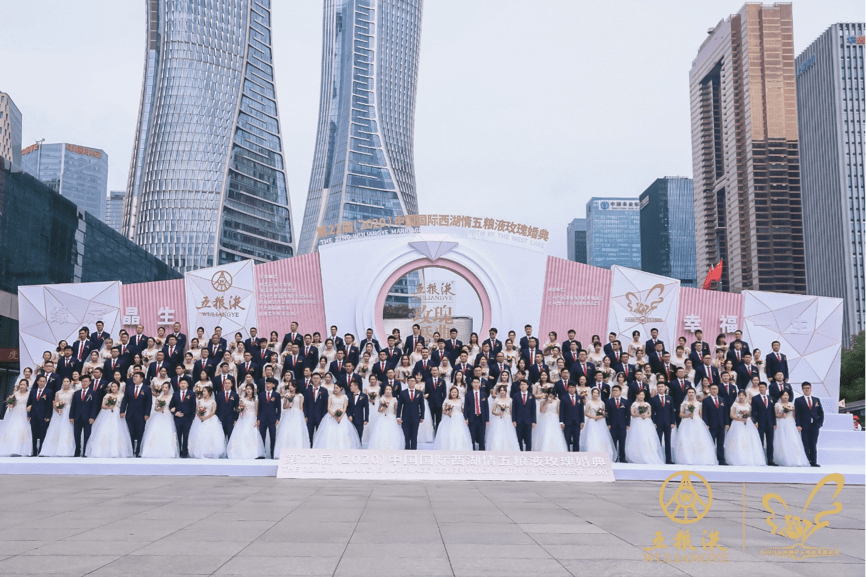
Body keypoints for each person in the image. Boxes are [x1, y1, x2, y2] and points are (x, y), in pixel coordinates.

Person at [85, 382, 134, 458]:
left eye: (115, 386)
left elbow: (123, 405)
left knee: (117, 431)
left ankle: (116, 451)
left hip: (117, 414)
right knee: (105, 430)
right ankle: (101, 451)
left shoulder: (121, 396)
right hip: (107, 414)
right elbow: (102, 406)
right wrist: (109, 407)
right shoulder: (107, 395)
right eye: (112, 387)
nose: (113, 388)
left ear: (118, 387)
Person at [674, 387, 718, 465]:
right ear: (687, 394)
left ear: (695, 394)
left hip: (697, 422)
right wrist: (688, 415)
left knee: (698, 439)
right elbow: (680, 414)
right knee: (686, 440)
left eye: (692, 392)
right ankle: (687, 458)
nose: (691, 394)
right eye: (689, 392)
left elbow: (701, 415)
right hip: (686, 423)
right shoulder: (684, 403)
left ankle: (699, 458)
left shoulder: (698, 403)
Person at [313, 383, 361, 449]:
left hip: (342, 417)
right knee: (330, 433)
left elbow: (345, 408)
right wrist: (333, 415)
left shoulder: (345, 397)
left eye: (337, 388)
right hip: (331, 416)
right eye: (334, 388)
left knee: (342, 433)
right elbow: (328, 407)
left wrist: (340, 417)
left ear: (341, 388)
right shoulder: (331, 396)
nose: (335, 389)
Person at [725, 390, 766, 466]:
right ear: (738, 396)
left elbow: (751, 414)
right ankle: (739, 458)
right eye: (740, 395)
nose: (741, 397)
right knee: (739, 439)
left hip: (747, 424)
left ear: (745, 396)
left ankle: (749, 458)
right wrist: (740, 419)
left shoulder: (748, 405)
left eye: (743, 395)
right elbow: (731, 415)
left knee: (748, 440)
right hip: (737, 424)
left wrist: (748, 418)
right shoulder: (735, 404)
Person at [140, 382, 179, 458]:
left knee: (167, 432)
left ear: (169, 388)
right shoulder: (159, 397)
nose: (164, 389)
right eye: (163, 387)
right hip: (158, 416)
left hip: (167, 416)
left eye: (166, 387)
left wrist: (173, 409)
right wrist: (159, 408)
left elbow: (174, 406)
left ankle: (169, 452)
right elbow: (155, 408)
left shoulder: (172, 397)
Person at [226, 384, 266, 459]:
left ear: (253, 390)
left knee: (250, 434)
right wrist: (240, 411)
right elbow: (239, 408)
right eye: (247, 389)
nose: (248, 390)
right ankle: (240, 452)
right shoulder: (242, 399)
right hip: (243, 418)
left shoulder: (256, 399)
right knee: (242, 434)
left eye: (250, 389)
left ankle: (252, 453)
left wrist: (257, 420)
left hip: (252, 418)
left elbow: (256, 411)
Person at [624, 390, 663, 464]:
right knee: (637, 437)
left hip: (646, 422)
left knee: (647, 438)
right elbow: (632, 413)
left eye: (642, 395)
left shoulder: (647, 404)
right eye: (640, 394)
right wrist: (638, 415)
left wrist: (646, 416)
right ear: (637, 395)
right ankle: (637, 456)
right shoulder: (634, 404)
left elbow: (649, 413)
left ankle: (648, 455)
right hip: (637, 422)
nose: (641, 396)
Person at [39, 377, 75, 456]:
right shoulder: (58, 392)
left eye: (67, 381)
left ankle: (66, 450)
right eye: (64, 381)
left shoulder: (73, 392)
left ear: (70, 383)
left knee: (67, 429)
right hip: (59, 413)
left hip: (68, 412)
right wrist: (57, 408)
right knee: (56, 429)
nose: (65, 383)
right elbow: (54, 403)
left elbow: (74, 404)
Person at [188, 386, 227, 459]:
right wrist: (200, 416)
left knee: (210, 435)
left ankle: (210, 451)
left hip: (210, 419)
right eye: (203, 391)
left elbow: (213, 411)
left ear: (209, 393)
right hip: (200, 419)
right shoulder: (200, 401)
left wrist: (206, 417)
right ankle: (200, 451)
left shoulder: (212, 401)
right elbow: (197, 410)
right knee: (200, 435)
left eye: (205, 391)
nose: (203, 392)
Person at [773, 391, 810, 467]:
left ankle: (796, 459)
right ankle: (784, 459)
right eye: (783, 395)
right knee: (782, 440)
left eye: (787, 395)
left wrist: (796, 423)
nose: (785, 397)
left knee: (793, 440)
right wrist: (783, 414)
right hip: (781, 423)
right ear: (780, 396)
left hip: (790, 424)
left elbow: (794, 415)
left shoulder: (791, 404)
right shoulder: (777, 404)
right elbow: (776, 415)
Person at [273, 382, 310, 456]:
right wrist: (288, 405)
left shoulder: (300, 396)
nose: (290, 387)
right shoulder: (287, 395)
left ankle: (297, 451)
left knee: (297, 431)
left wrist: (302, 417)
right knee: (286, 431)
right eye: (289, 386)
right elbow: (284, 406)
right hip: (288, 414)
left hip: (297, 415)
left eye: (291, 386)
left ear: (295, 387)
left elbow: (301, 408)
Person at [120, 372, 152, 457]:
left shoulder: (147, 389)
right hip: (130, 414)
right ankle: (130, 450)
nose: (134, 378)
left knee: (140, 433)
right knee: (130, 432)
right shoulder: (129, 388)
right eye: (134, 377)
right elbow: (125, 400)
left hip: (141, 415)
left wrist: (147, 413)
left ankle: (138, 451)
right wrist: (122, 411)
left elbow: (149, 403)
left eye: (136, 377)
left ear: (141, 378)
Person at [580, 387, 617, 461]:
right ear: (591, 394)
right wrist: (594, 417)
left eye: (597, 393)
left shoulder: (601, 402)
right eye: (594, 393)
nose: (596, 394)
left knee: (602, 437)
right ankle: (592, 455)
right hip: (592, 422)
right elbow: (586, 413)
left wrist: (601, 416)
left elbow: (604, 412)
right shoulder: (589, 402)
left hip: (601, 422)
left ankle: (603, 455)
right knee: (592, 437)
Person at [0, 380, 34, 456]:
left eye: (24, 385)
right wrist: (10, 402)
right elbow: (13, 404)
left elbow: (31, 403)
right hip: (15, 413)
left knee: (22, 429)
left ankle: (21, 450)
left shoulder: (29, 394)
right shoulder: (15, 394)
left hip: (24, 413)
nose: (22, 386)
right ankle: (10, 449)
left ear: (27, 386)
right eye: (21, 384)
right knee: (12, 429)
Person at [433, 386, 473, 451]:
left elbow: (463, 410)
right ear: (450, 393)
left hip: (459, 418)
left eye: (455, 392)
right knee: (449, 433)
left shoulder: (461, 400)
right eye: (452, 392)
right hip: (449, 418)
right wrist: (447, 411)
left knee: (460, 433)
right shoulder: (447, 401)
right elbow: (443, 411)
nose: (454, 393)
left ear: (457, 393)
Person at [367, 383, 405, 450]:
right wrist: (383, 408)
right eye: (386, 389)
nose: (388, 391)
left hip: (392, 417)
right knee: (381, 434)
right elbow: (379, 409)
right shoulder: (382, 399)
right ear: (384, 390)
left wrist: (398, 417)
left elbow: (396, 411)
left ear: (392, 391)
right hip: (383, 417)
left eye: (389, 389)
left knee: (392, 434)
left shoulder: (394, 399)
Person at [794, 382, 823, 467]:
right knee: (805, 444)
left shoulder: (816, 400)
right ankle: (806, 460)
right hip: (804, 425)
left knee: (813, 444)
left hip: (814, 425)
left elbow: (821, 412)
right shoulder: (798, 400)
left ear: (811, 389)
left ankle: (814, 461)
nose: (807, 389)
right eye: (805, 388)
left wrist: (819, 423)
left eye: (808, 388)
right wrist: (798, 424)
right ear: (802, 389)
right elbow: (797, 413)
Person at [750, 383, 778, 466]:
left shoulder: (771, 398)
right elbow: (753, 412)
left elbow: (773, 412)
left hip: (770, 423)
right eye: (760, 387)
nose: (761, 388)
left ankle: (770, 460)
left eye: (763, 387)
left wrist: (774, 423)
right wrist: (755, 421)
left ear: (766, 388)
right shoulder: (755, 398)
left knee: (770, 442)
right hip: (760, 423)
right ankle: (760, 459)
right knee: (760, 441)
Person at [26, 375, 54, 456]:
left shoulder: (49, 392)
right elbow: (29, 403)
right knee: (33, 434)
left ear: (45, 382)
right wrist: (29, 414)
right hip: (33, 416)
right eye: (40, 381)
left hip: (43, 416)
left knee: (42, 434)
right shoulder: (33, 391)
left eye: (43, 381)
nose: (42, 383)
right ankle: (34, 451)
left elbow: (50, 405)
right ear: (37, 382)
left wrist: (48, 416)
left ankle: (41, 451)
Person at [702, 384, 729, 465]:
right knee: (711, 443)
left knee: (721, 444)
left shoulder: (722, 400)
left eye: (715, 389)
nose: (714, 390)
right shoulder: (706, 400)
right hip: (711, 425)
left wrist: (727, 423)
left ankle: (721, 460)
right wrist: (706, 424)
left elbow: (725, 413)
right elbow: (704, 413)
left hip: (721, 425)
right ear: (710, 390)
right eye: (712, 389)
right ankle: (711, 460)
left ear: (718, 390)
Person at [395, 376, 425, 450]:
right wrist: (398, 417)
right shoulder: (403, 393)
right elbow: (399, 406)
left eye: (413, 381)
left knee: (414, 435)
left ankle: (414, 451)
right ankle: (407, 450)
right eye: (410, 381)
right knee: (406, 436)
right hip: (405, 417)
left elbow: (422, 406)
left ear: (415, 382)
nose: (411, 382)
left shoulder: (419, 393)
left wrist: (422, 417)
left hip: (415, 417)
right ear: (407, 382)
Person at [486, 385, 519, 451]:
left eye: (503, 390)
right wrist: (498, 413)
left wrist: (513, 420)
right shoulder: (497, 400)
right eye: (501, 390)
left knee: (508, 435)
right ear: (499, 392)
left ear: (506, 391)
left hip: (507, 419)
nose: (502, 392)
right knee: (498, 434)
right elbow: (493, 411)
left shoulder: (510, 400)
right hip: (498, 419)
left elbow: (511, 411)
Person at [650, 382, 676, 464]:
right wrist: (653, 422)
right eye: (659, 387)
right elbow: (652, 412)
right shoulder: (654, 399)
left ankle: (668, 459)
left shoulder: (670, 398)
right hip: (658, 423)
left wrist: (673, 422)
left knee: (668, 441)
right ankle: (658, 459)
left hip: (668, 423)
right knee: (658, 441)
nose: (660, 388)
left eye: (662, 386)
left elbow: (672, 411)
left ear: (665, 388)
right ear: (657, 388)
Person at [534, 388, 567, 452]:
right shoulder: (543, 401)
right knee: (546, 434)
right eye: (549, 395)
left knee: (555, 434)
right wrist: (547, 402)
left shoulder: (557, 401)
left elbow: (558, 412)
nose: (551, 396)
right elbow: (541, 411)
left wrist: (560, 422)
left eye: (552, 395)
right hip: (545, 419)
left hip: (554, 419)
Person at [170, 379, 196, 458]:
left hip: (187, 419)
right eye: (181, 383)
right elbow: (171, 406)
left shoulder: (191, 394)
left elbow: (193, 406)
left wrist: (191, 417)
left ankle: (185, 452)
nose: (183, 384)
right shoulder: (175, 394)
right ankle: (178, 451)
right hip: (178, 418)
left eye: (185, 383)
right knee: (178, 435)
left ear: (187, 385)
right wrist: (175, 413)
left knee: (186, 435)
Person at [257, 379, 282, 458]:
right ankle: (262, 454)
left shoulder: (276, 395)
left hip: (272, 419)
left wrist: (278, 418)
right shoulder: (261, 394)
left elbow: (279, 408)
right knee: (262, 437)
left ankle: (272, 453)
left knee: (272, 437)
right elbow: (259, 408)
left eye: (270, 383)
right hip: (263, 418)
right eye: (267, 383)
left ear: (273, 385)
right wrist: (258, 419)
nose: (268, 385)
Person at [605, 385, 630, 463]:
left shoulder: (625, 401)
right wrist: (608, 423)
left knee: (622, 442)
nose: (614, 392)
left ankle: (622, 458)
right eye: (613, 390)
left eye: (616, 390)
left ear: (620, 391)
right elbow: (607, 413)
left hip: (622, 425)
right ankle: (614, 457)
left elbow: (628, 414)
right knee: (613, 442)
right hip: (613, 425)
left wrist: (628, 424)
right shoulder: (609, 401)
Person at [304, 373, 329, 445]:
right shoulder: (307, 390)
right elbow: (305, 404)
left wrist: (323, 416)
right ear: (311, 379)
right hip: (310, 416)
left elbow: (325, 405)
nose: (316, 380)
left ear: (321, 380)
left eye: (317, 378)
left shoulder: (324, 391)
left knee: (320, 435)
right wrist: (305, 415)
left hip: (320, 416)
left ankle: (318, 449)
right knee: (309, 434)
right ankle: (310, 448)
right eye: (314, 378)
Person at [464, 377, 488, 450]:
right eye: (474, 382)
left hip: (481, 418)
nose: (476, 384)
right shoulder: (468, 394)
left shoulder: (484, 394)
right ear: (471, 384)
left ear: (479, 384)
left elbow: (486, 407)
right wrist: (466, 418)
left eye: (477, 382)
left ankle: (482, 452)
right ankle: (473, 452)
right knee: (472, 436)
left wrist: (487, 419)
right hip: (472, 418)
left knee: (481, 436)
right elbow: (466, 407)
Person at [512, 380, 536, 451]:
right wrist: (514, 420)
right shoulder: (516, 395)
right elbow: (514, 409)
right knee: (519, 439)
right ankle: (520, 452)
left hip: (528, 420)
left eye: (524, 384)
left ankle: (528, 453)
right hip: (518, 420)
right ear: (519, 386)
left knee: (528, 439)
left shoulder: (531, 396)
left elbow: (533, 409)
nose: (523, 386)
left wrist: (534, 421)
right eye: (521, 384)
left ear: (527, 386)